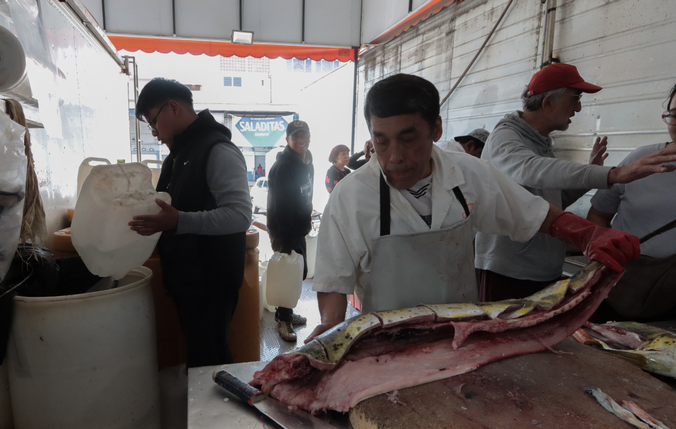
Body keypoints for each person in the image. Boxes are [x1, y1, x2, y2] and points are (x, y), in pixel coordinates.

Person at [306, 73, 643, 342]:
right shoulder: (350, 197)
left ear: (436, 128)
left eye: (408, 139)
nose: (394, 156)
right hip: (384, 342)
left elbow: (531, 212)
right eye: (381, 141)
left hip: (460, 337)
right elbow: (334, 279)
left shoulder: (468, 173)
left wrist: (588, 233)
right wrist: (329, 329)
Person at [475, 63, 676, 302]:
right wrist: (614, 174)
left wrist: (591, 175)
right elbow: (530, 170)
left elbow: (551, 198)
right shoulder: (506, 138)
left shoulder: (540, 142)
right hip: (509, 270)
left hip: (538, 268)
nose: (578, 108)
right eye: (575, 99)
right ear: (548, 102)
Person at [128, 78, 252, 368]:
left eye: (154, 121)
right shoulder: (179, 154)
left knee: (211, 358)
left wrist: (178, 221)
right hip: (188, 279)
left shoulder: (217, 150)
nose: (155, 132)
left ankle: (216, 413)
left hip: (211, 281)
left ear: (173, 107)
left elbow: (239, 215)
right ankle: (206, 410)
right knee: (201, 354)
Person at [586, 84, 676, 320]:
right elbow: (598, 214)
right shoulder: (640, 159)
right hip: (625, 288)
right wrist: (605, 257)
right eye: (675, 115)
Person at [266, 120, 314, 341]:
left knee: (299, 272)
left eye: (303, 135)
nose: (300, 140)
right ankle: (283, 319)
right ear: (287, 140)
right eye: (295, 136)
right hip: (284, 228)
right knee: (287, 273)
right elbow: (281, 205)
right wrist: (285, 239)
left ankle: (285, 312)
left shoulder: (308, 161)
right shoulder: (284, 166)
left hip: (299, 227)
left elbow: (306, 195)